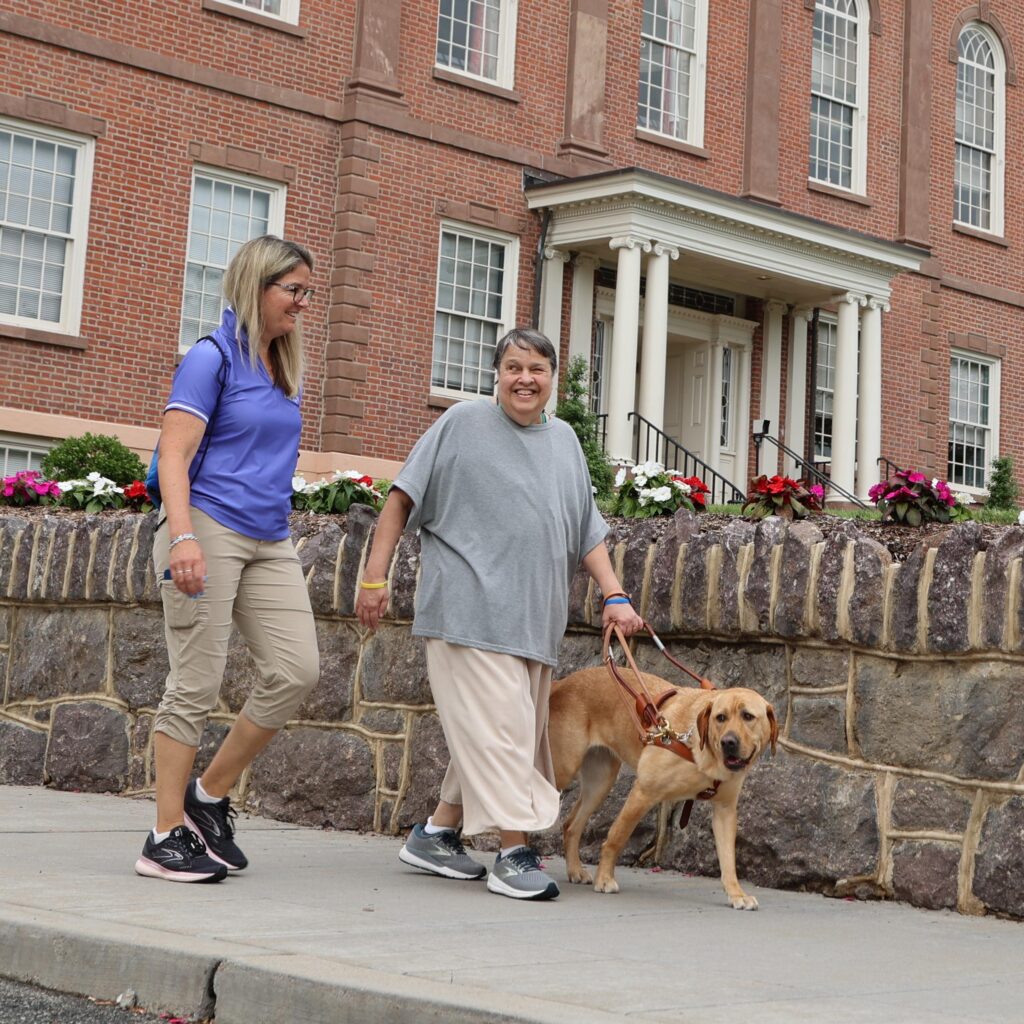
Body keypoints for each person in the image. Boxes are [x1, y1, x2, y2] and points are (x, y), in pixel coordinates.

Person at [356, 327, 644, 901]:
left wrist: (614, 593)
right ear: (497, 374)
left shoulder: (563, 441)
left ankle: (436, 833)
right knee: (505, 736)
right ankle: (514, 852)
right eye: (513, 367)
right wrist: (373, 576)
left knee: (500, 729)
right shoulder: (461, 425)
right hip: (467, 611)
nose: (524, 379)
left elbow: (585, 530)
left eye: (536, 369)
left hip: (533, 626)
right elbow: (401, 500)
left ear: (552, 378)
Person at [135, 235, 320, 883]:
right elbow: (175, 454)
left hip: (268, 538)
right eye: (292, 291)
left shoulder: (282, 363)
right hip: (206, 527)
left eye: (306, 293)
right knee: (195, 682)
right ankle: (162, 835)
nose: (302, 303)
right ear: (257, 286)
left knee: (297, 669)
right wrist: (182, 536)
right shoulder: (210, 358)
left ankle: (207, 797)